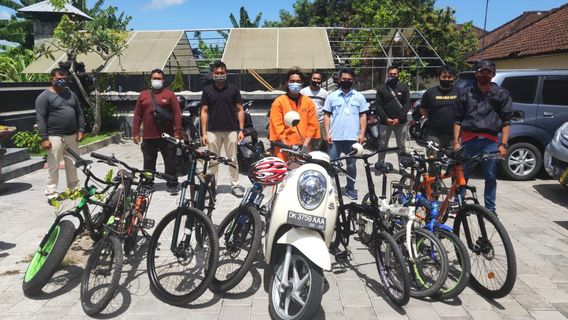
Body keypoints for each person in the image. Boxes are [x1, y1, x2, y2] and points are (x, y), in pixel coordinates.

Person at [453, 60, 512, 212]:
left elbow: (506, 121)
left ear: (493, 74)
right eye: (482, 72)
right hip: (468, 140)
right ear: (476, 73)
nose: (484, 75)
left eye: (488, 72)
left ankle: (490, 209)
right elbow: (458, 119)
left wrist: (503, 144)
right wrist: (456, 142)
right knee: (462, 173)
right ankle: (458, 203)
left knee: (490, 176)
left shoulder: (501, 94)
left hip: (490, 142)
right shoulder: (466, 93)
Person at [36, 68, 85, 199]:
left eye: (64, 78)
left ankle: (74, 188)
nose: (62, 81)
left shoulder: (70, 94)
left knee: (73, 164)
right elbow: (40, 118)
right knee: (53, 166)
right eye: (59, 79)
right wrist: (44, 138)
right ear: (52, 79)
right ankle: (51, 192)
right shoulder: (44, 97)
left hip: (71, 136)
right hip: (54, 137)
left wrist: (81, 130)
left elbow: (79, 112)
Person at [133, 68, 182, 195]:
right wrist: (136, 133)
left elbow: (177, 114)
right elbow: (137, 115)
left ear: (163, 80)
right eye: (154, 78)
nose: (156, 80)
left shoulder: (169, 95)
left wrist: (177, 132)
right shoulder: (143, 95)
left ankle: (172, 183)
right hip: (149, 136)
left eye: (159, 78)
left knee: (170, 161)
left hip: (167, 136)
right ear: (150, 80)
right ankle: (147, 184)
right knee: (148, 162)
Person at [200, 60, 245, 197]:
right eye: (217, 73)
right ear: (213, 74)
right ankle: (212, 186)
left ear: (226, 73)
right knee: (213, 160)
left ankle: (235, 185)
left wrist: (241, 130)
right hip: (213, 131)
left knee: (232, 159)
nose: (219, 75)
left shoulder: (233, 89)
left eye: (222, 73)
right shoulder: (207, 91)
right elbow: (204, 111)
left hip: (231, 130)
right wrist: (203, 133)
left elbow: (240, 109)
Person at [323, 67, 367, 200]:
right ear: (339, 80)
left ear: (353, 80)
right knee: (332, 165)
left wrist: (362, 134)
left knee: (352, 165)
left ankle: (350, 188)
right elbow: (326, 116)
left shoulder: (359, 97)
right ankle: (331, 190)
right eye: (344, 79)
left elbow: (363, 116)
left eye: (349, 79)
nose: (346, 81)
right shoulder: (332, 96)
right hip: (334, 138)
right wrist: (327, 133)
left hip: (352, 138)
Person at [269, 69, 320, 161]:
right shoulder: (279, 102)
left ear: (302, 83)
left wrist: (305, 145)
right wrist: (287, 147)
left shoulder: (308, 102)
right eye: (292, 81)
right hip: (284, 148)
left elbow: (312, 125)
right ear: (287, 83)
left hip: (303, 148)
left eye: (298, 81)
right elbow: (277, 126)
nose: (295, 83)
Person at [376, 65, 411, 164]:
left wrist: (399, 119)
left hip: (400, 122)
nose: (392, 76)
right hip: (385, 122)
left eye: (395, 74)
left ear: (398, 74)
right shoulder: (382, 88)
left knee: (401, 145)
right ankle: (380, 165)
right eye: (390, 74)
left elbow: (407, 104)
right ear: (388, 74)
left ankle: (402, 166)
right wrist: (385, 118)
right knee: (382, 145)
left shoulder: (404, 87)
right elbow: (378, 105)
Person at [420, 65, 459, 152]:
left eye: (449, 77)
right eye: (444, 77)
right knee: (433, 161)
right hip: (434, 134)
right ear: (438, 78)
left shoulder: (460, 92)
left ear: (454, 78)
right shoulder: (430, 93)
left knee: (455, 163)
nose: (447, 79)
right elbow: (422, 109)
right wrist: (432, 118)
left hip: (455, 136)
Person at [300, 71, 329, 151]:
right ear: (310, 79)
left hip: (319, 123)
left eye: (318, 79)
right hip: (305, 123)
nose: (316, 80)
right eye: (314, 78)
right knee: (305, 145)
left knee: (317, 145)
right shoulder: (303, 92)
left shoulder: (325, 93)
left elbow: (327, 110)